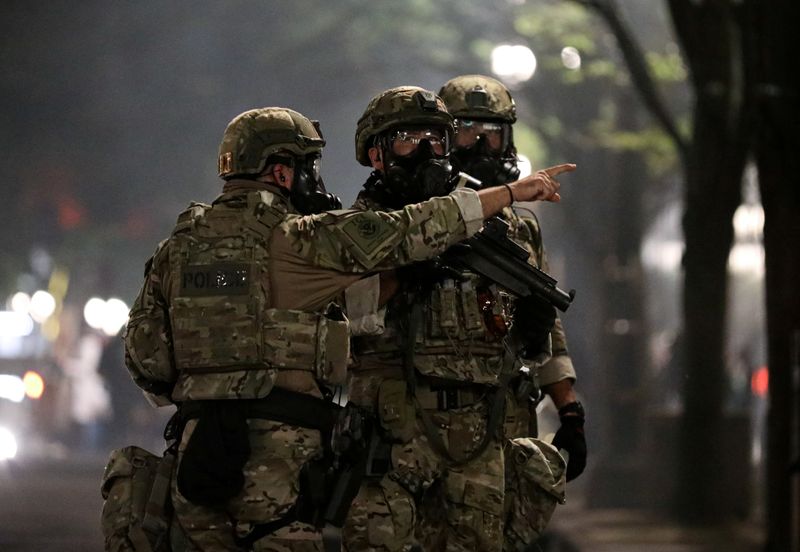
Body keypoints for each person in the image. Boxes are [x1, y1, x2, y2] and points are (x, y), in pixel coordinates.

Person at [120, 105, 571, 552]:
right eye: (308, 167)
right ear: (281, 173)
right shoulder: (300, 237)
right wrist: (511, 192)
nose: (313, 180)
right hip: (279, 455)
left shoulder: (176, 247)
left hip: (195, 450)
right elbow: (411, 229)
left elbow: (147, 360)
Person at [341, 86, 575, 552]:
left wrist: (567, 403)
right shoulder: (355, 225)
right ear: (377, 153)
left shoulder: (498, 226)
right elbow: (349, 307)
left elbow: (536, 335)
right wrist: (411, 268)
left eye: (437, 137)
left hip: (479, 428)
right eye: (409, 137)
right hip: (392, 427)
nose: (427, 150)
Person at [440, 74, 588, 549]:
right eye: (465, 130)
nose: (480, 143)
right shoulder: (420, 218)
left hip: (502, 410)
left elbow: (547, 320)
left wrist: (570, 411)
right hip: (426, 412)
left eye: (492, 131)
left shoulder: (521, 228)